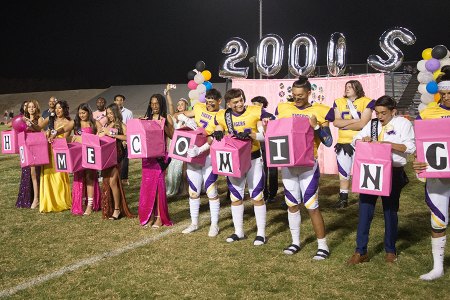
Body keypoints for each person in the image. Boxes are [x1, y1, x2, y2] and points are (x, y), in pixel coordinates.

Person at [347, 95, 415, 265]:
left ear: (393, 111)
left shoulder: (403, 124)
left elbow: (410, 147)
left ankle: (390, 250)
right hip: (371, 170)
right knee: (365, 210)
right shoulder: (373, 124)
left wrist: (386, 144)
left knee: (390, 211)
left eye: (383, 113)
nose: (380, 116)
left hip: (393, 170)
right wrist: (362, 139)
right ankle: (360, 250)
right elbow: (354, 140)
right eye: (377, 113)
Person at [275, 76, 334, 259]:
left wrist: (316, 126)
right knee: (292, 204)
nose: (297, 98)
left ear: (309, 93)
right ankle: (295, 242)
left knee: (311, 205)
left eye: (300, 95)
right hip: (289, 164)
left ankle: (322, 245)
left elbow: (329, 141)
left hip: (308, 164)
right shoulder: (283, 108)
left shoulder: (320, 110)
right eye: (294, 95)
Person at [212, 88, 267, 246]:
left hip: (253, 158)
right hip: (234, 159)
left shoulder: (255, 112)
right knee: (236, 196)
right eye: (235, 102)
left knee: (257, 195)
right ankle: (239, 231)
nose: (240, 103)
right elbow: (218, 128)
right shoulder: (223, 115)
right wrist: (217, 133)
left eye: (241, 99)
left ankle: (261, 233)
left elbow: (265, 135)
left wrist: (252, 135)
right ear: (228, 103)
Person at [413, 66, 450, 280]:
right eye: (443, 94)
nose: (446, 98)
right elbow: (422, 145)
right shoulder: (428, 113)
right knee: (437, 219)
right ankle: (438, 267)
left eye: (449, 94)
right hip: (439, 175)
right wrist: (418, 161)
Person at [173, 88, 223, 237]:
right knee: (193, 192)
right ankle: (194, 223)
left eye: (212, 104)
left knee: (211, 191)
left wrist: (200, 149)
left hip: (208, 157)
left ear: (219, 102)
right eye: (207, 102)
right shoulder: (199, 108)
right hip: (193, 157)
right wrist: (185, 119)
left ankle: (215, 225)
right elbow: (176, 115)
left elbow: (215, 137)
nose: (208, 106)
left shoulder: (222, 115)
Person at [332, 81, 375, 208]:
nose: (347, 89)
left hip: (360, 142)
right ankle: (343, 199)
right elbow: (335, 122)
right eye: (346, 87)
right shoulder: (338, 101)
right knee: (343, 172)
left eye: (350, 87)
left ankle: (364, 199)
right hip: (343, 142)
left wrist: (345, 124)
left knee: (361, 172)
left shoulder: (367, 101)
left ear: (358, 88)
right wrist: (354, 121)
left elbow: (363, 124)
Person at [58, 103, 103, 216]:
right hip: (77, 155)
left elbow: (101, 134)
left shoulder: (94, 123)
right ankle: (79, 203)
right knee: (78, 178)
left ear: (88, 112)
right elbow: (64, 129)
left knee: (90, 177)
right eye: (80, 113)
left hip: (90, 154)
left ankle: (90, 205)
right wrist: (54, 133)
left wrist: (82, 138)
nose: (82, 115)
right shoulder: (75, 122)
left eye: (84, 112)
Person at [138, 94, 174, 227]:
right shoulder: (145, 118)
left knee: (159, 188)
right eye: (152, 103)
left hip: (160, 159)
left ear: (161, 104)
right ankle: (150, 216)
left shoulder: (166, 118)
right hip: (147, 159)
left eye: (157, 103)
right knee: (147, 188)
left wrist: (162, 125)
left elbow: (172, 136)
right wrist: (140, 124)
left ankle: (160, 217)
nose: (154, 106)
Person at [98, 103, 134, 220]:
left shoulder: (121, 125)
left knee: (113, 182)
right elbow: (100, 135)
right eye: (107, 113)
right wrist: (102, 133)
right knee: (106, 182)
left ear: (116, 113)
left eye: (111, 113)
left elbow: (128, 137)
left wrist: (115, 135)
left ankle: (117, 209)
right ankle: (110, 207)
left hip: (117, 156)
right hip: (106, 156)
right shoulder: (106, 124)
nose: (109, 115)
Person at [38, 100, 73, 212]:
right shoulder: (50, 119)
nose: (57, 110)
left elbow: (65, 138)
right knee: (48, 175)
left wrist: (53, 136)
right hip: (48, 151)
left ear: (64, 109)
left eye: (60, 108)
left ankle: (61, 202)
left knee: (60, 176)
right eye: (56, 108)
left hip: (60, 152)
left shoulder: (69, 122)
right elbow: (38, 128)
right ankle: (49, 202)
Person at [251, 96, 278, 203]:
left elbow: (275, 130)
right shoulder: (252, 116)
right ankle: (264, 193)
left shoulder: (270, 116)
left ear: (262, 105)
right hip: (258, 146)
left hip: (270, 145)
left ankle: (272, 194)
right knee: (261, 171)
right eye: (252, 104)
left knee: (272, 170)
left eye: (255, 104)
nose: (253, 106)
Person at [165, 84, 189, 197]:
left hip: (184, 144)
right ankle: (174, 187)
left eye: (182, 104)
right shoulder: (174, 115)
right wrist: (168, 92)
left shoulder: (189, 116)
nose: (179, 106)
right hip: (174, 143)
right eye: (178, 104)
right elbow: (170, 104)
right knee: (173, 167)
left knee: (183, 167)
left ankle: (184, 189)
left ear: (186, 106)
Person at [113, 94, 133, 186]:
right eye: (117, 100)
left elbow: (130, 126)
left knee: (125, 158)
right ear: (114, 101)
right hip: (114, 138)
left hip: (124, 137)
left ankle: (124, 178)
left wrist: (125, 139)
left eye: (121, 100)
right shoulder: (111, 111)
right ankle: (115, 177)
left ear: (123, 101)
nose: (119, 102)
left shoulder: (128, 112)